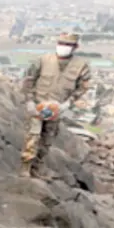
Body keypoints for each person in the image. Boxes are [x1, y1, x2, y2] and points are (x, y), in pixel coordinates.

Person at [19, 33, 92, 177]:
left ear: (75, 47)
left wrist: (68, 103)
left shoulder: (80, 66)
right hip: (37, 105)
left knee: (47, 139)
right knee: (33, 136)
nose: (63, 47)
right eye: (61, 43)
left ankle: (37, 168)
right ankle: (25, 168)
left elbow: (83, 87)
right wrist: (29, 101)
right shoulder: (43, 60)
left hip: (56, 109)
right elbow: (28, 80)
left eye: (67, 44)